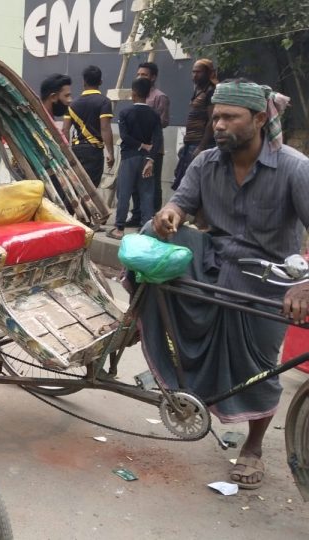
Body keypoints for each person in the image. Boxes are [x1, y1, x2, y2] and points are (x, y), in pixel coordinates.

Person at [148, 79, 309, 489]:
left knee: (258, 369)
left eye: (229, 117)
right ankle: (159, 357)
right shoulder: (205, 163)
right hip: (214, 264)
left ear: (259, 119)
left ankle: (252, 449)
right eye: (216, 116)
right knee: (147, 256)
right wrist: (169, 216)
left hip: (269, 278)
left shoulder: (294, 167)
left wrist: (304, 285)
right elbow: (179, 203)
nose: (218, 124)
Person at [107, 78, 161, 240]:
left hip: (129, 157)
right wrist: (151, 158)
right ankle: (146, 230)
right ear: (148, 94)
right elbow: (158, 139)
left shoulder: (125, 113)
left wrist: (140, 145)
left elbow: (124, 137)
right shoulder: (154, 115)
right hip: (147, 160)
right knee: (146, 193)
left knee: (124, 192)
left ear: (134, 93)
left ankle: (119, 229)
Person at [127, 62, 170, 225]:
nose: (140, 77)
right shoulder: (136, 94)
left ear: (153, 77)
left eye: (144, 75)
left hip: (153, 148)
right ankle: (137, 216)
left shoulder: (160, 97)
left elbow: (164, 122)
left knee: (152, 184)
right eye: (138, 74)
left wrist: (147, 118)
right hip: (137, 147)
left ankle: (152, 219)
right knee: (135, 185)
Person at [62, 65, 114, 186]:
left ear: (84, 81)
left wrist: (66, 152)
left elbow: (65, 130)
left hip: (76, 151)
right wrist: (110, 153)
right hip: (94, 152)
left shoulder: (71, 104)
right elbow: (105, 128)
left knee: (77, 187)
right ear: (100, 81)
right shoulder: (104, 102)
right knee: (91, 190)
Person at [172, 59, 218, 191]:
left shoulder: (211, 91)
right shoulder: (198, 90)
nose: (195, 75)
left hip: (201, 143)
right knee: (183, 180)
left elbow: (212, 119)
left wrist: (201, 146)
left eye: (199, 72)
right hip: (191, 142)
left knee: (194, 183)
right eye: (193, 72)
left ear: (208, 73)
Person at [39, 73, 72, 145]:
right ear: (53, 97)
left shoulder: (54, 125)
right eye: (66, 96)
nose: (70, 100)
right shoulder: (39, 125)